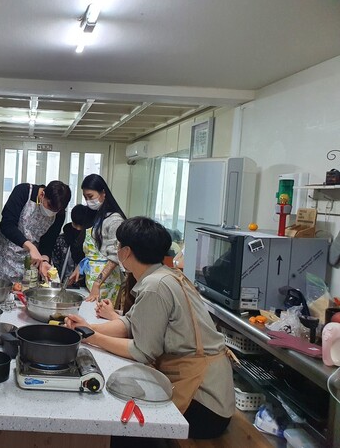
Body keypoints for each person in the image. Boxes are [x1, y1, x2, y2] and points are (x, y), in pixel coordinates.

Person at [65, 217, 235, 439]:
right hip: (202, 388)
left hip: (205, 403)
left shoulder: (156, 286)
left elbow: (142, 351)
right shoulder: (164, 275)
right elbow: (130, 323)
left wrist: (92, 337)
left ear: (126, 252)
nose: (116, 251)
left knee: (123, 427)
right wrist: (88, 327)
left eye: (117, 246)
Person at [0, 181, 72, 282]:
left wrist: (45, 261)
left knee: (26, 290)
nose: (52, 212)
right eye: (49, 206)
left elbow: (48, 241)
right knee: (3, 290)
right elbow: (7, 225)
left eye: (56, 210)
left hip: (32, 258)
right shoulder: (23, 192)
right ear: (42, 195)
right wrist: (31, 247)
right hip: (6, 254)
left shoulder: (59, 214)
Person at [68, 174, 126, 303]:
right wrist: (80, 267)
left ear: (103, 193)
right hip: (92, 280)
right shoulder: (97, 218)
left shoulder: (114, 220)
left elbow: (115, 257)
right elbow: (94, 253)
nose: (88, 201)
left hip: (107, 283)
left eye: (90, 196)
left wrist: (97, 284)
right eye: (85, 197)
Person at [51, 204, 95, 282]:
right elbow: (55, 266)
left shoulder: (91, 241)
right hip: (64, 284)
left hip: (87, 284)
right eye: (75, 224)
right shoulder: (61, 240)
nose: (78, 228)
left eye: (81, 226)